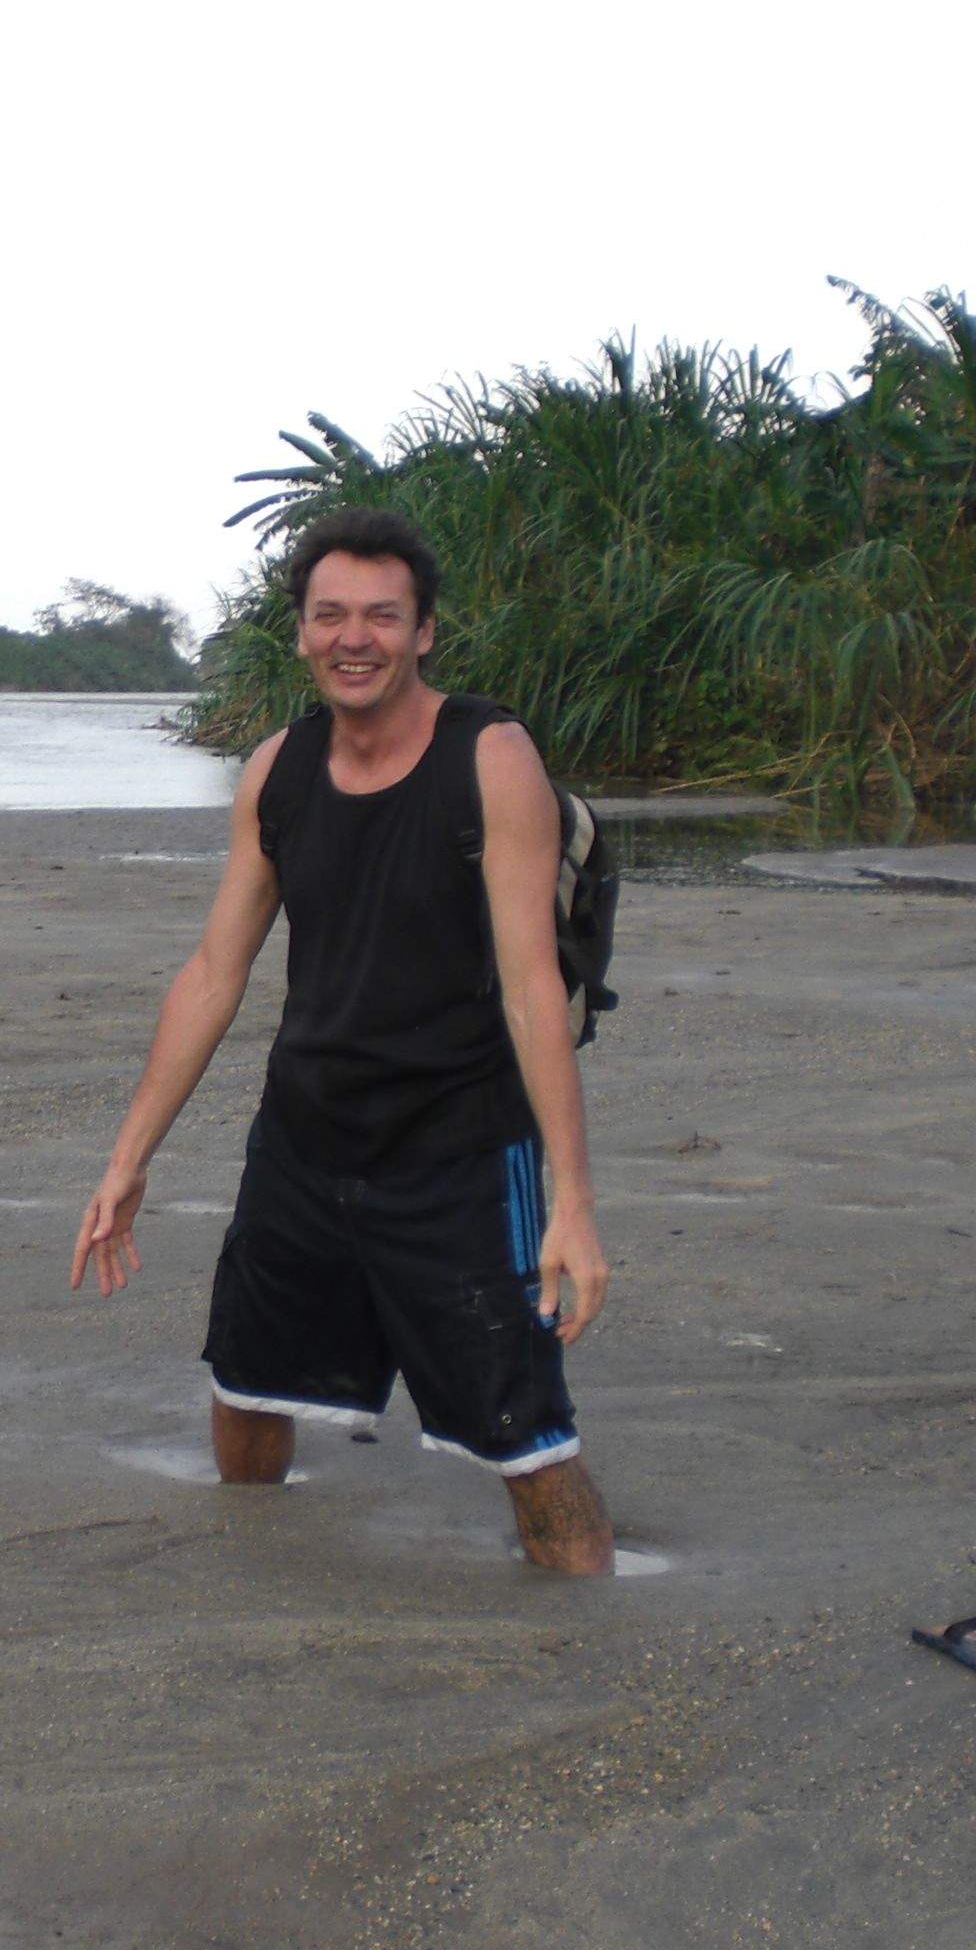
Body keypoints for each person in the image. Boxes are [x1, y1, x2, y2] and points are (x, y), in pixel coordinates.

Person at [70, 507, 615, 1572]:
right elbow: (214, 971)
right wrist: (128, 1159)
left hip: (456, 1148)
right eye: (330, 615)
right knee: (243, 1391)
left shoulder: (490, 757)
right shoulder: (278, 768)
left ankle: (591, 1637)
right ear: (302, 630)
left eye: (381, 615)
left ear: (423, 634)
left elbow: (530, 985)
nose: (352, 637)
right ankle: (254, 1575)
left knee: (530, 1440)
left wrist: (574, 1202)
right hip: (305, 1143)